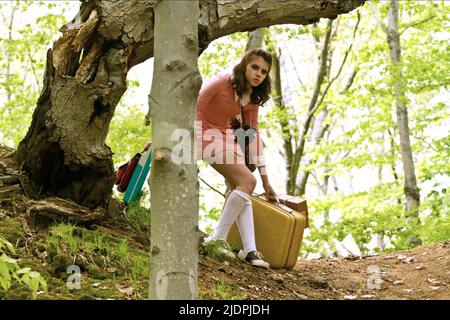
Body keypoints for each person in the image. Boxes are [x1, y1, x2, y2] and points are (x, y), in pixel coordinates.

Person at [197, 48, 278, 269]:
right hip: (201, 133)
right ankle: (217, 239)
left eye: (264, 71)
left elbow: (253, 135)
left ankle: (249, 250)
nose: (258, 74)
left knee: (244, 185)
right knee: (247, 182)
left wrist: (267, 180)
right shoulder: (220, 82)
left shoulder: (252, 97)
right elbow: (193, 107)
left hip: (224, 136)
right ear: (244, 65)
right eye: (255, 67)